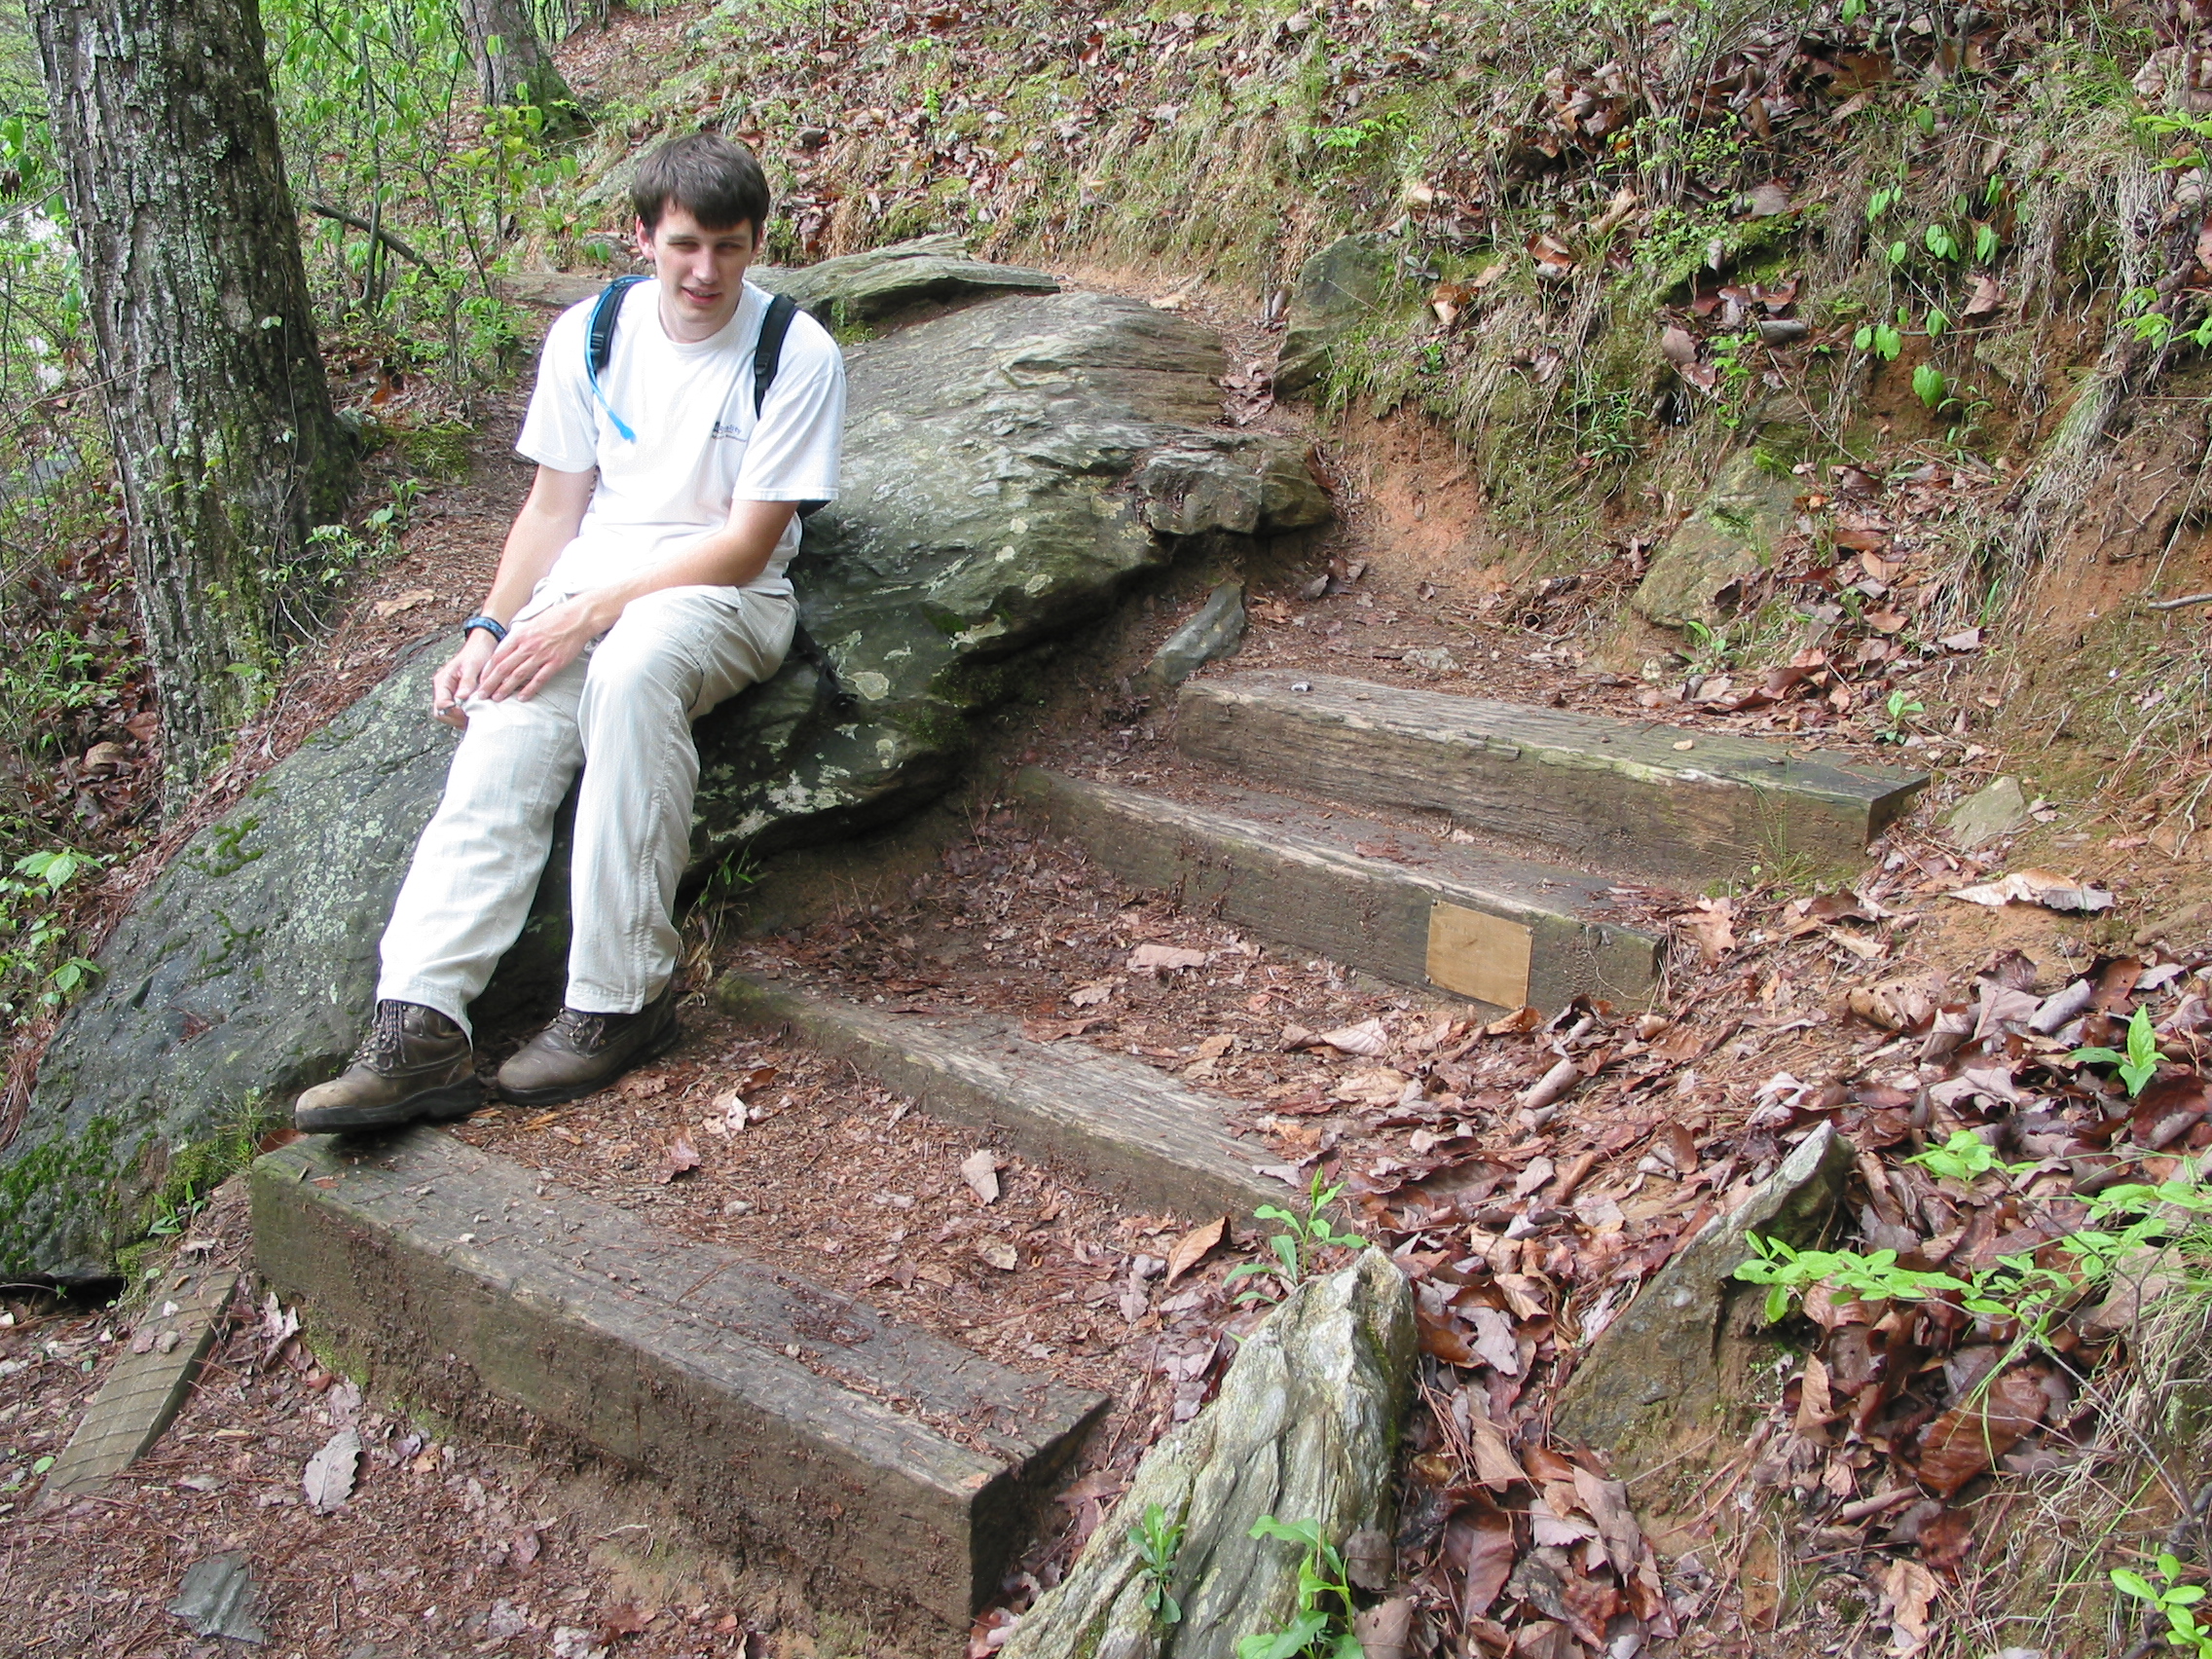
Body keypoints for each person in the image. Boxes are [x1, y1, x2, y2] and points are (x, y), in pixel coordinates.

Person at [294, 132, 845, 1133]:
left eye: (727, 246)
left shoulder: (792, 352)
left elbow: (747, 542)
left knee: (631, 673)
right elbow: (554, 507)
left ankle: (620, 999)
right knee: (503, 717)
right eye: (683, 244)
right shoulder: (588, 336)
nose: (704, 271)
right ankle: (420, 1023)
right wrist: (492, 625)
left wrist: (592, 612)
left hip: (724, 595)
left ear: (757, 241)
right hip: (589, 583)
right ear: (640, 237)